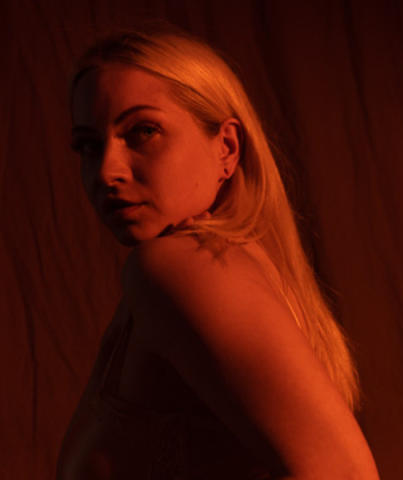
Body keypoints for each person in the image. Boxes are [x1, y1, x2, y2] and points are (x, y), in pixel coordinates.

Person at [56, 26, 380, 480]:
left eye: (143, 131)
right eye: (89, 146)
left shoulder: (180, 266)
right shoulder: (222, 266)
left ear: (226, 148)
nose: (106, 171)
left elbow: (343, 474)